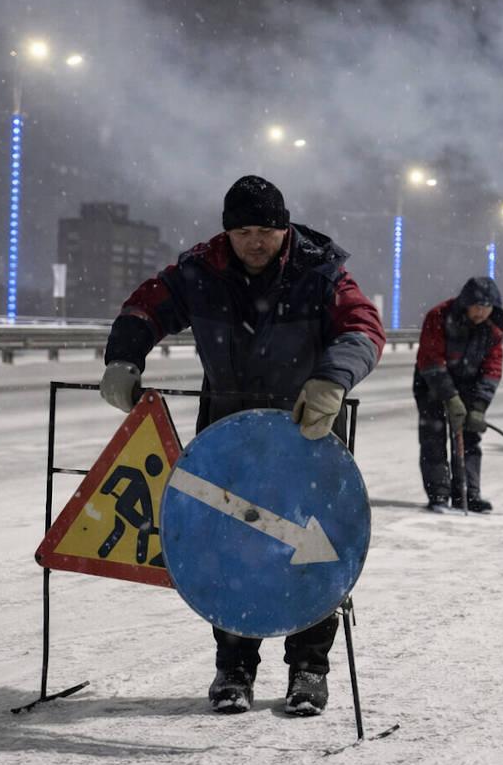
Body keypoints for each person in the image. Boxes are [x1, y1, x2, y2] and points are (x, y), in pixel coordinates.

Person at [98, 175, 385, 714]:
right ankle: (233, 670)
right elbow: (145, 307)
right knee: (227, 549)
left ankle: (308, 670)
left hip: (307, 436)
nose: (256, 242)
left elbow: (363, 329)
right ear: (227, 232)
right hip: (229, 439)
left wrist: (332, 380)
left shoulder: (319, 274)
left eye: (268, 231)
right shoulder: (200, 273)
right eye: (244, 231)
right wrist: (123, 357)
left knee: (316, 552)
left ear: (286, 228)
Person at [413, 276, 503, 513]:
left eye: (486, 307)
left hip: (469, 384)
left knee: (469, 437)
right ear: (466, 303)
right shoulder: (439, 316)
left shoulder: (493, 329)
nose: (481, 312)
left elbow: (492, 369)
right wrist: (449, 396)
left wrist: (478, 406)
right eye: (477, 306)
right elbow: (431, 361)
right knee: (433, 436)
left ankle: (467, 494)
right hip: (431, 382)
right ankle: (438, 493)